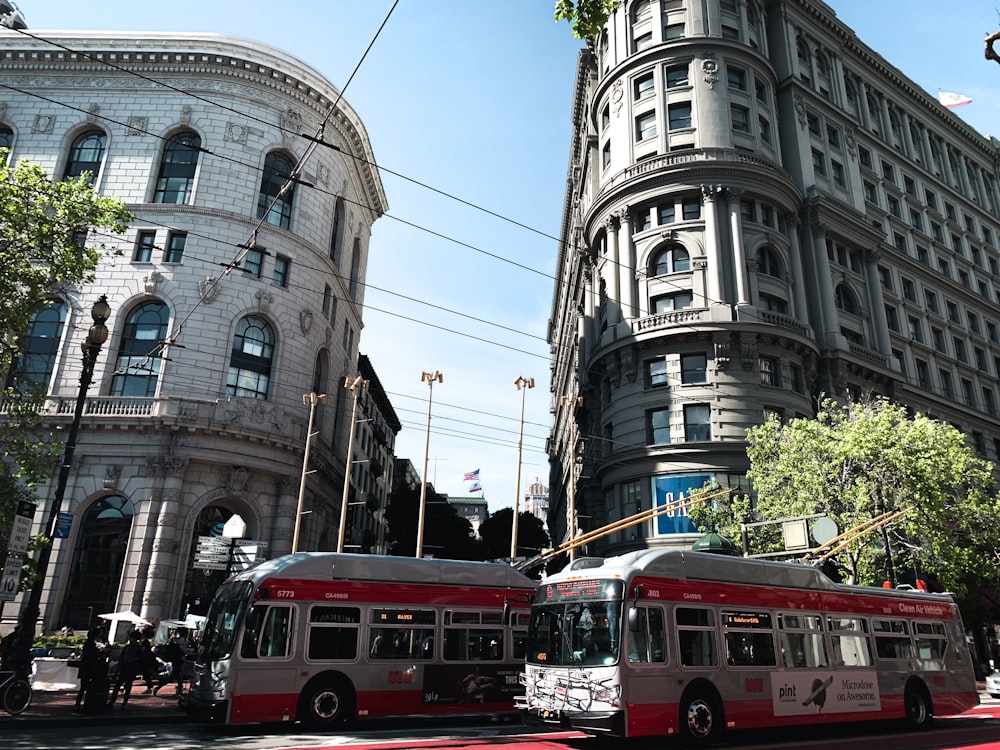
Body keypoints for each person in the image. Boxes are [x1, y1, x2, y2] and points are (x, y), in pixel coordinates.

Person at [73, 629, 105, 713]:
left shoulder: (88, 643)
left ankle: (79, 704)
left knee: (84, 687)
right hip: (88, 667)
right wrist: (100, 653)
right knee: (86, 687)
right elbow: (92, 656)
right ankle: (83, 704)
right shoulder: (90, 644)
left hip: (85, 667)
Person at [108, 630, 144, 707]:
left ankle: (124, 702)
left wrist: (136, 660)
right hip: (124, 667)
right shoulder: (127, 647)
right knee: (118, 685)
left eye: (132, 638)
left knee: (127, 686)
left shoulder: (137, 648)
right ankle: (112, 701)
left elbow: (141, 658)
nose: (131, 639)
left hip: (131, 668)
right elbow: (121, 658)